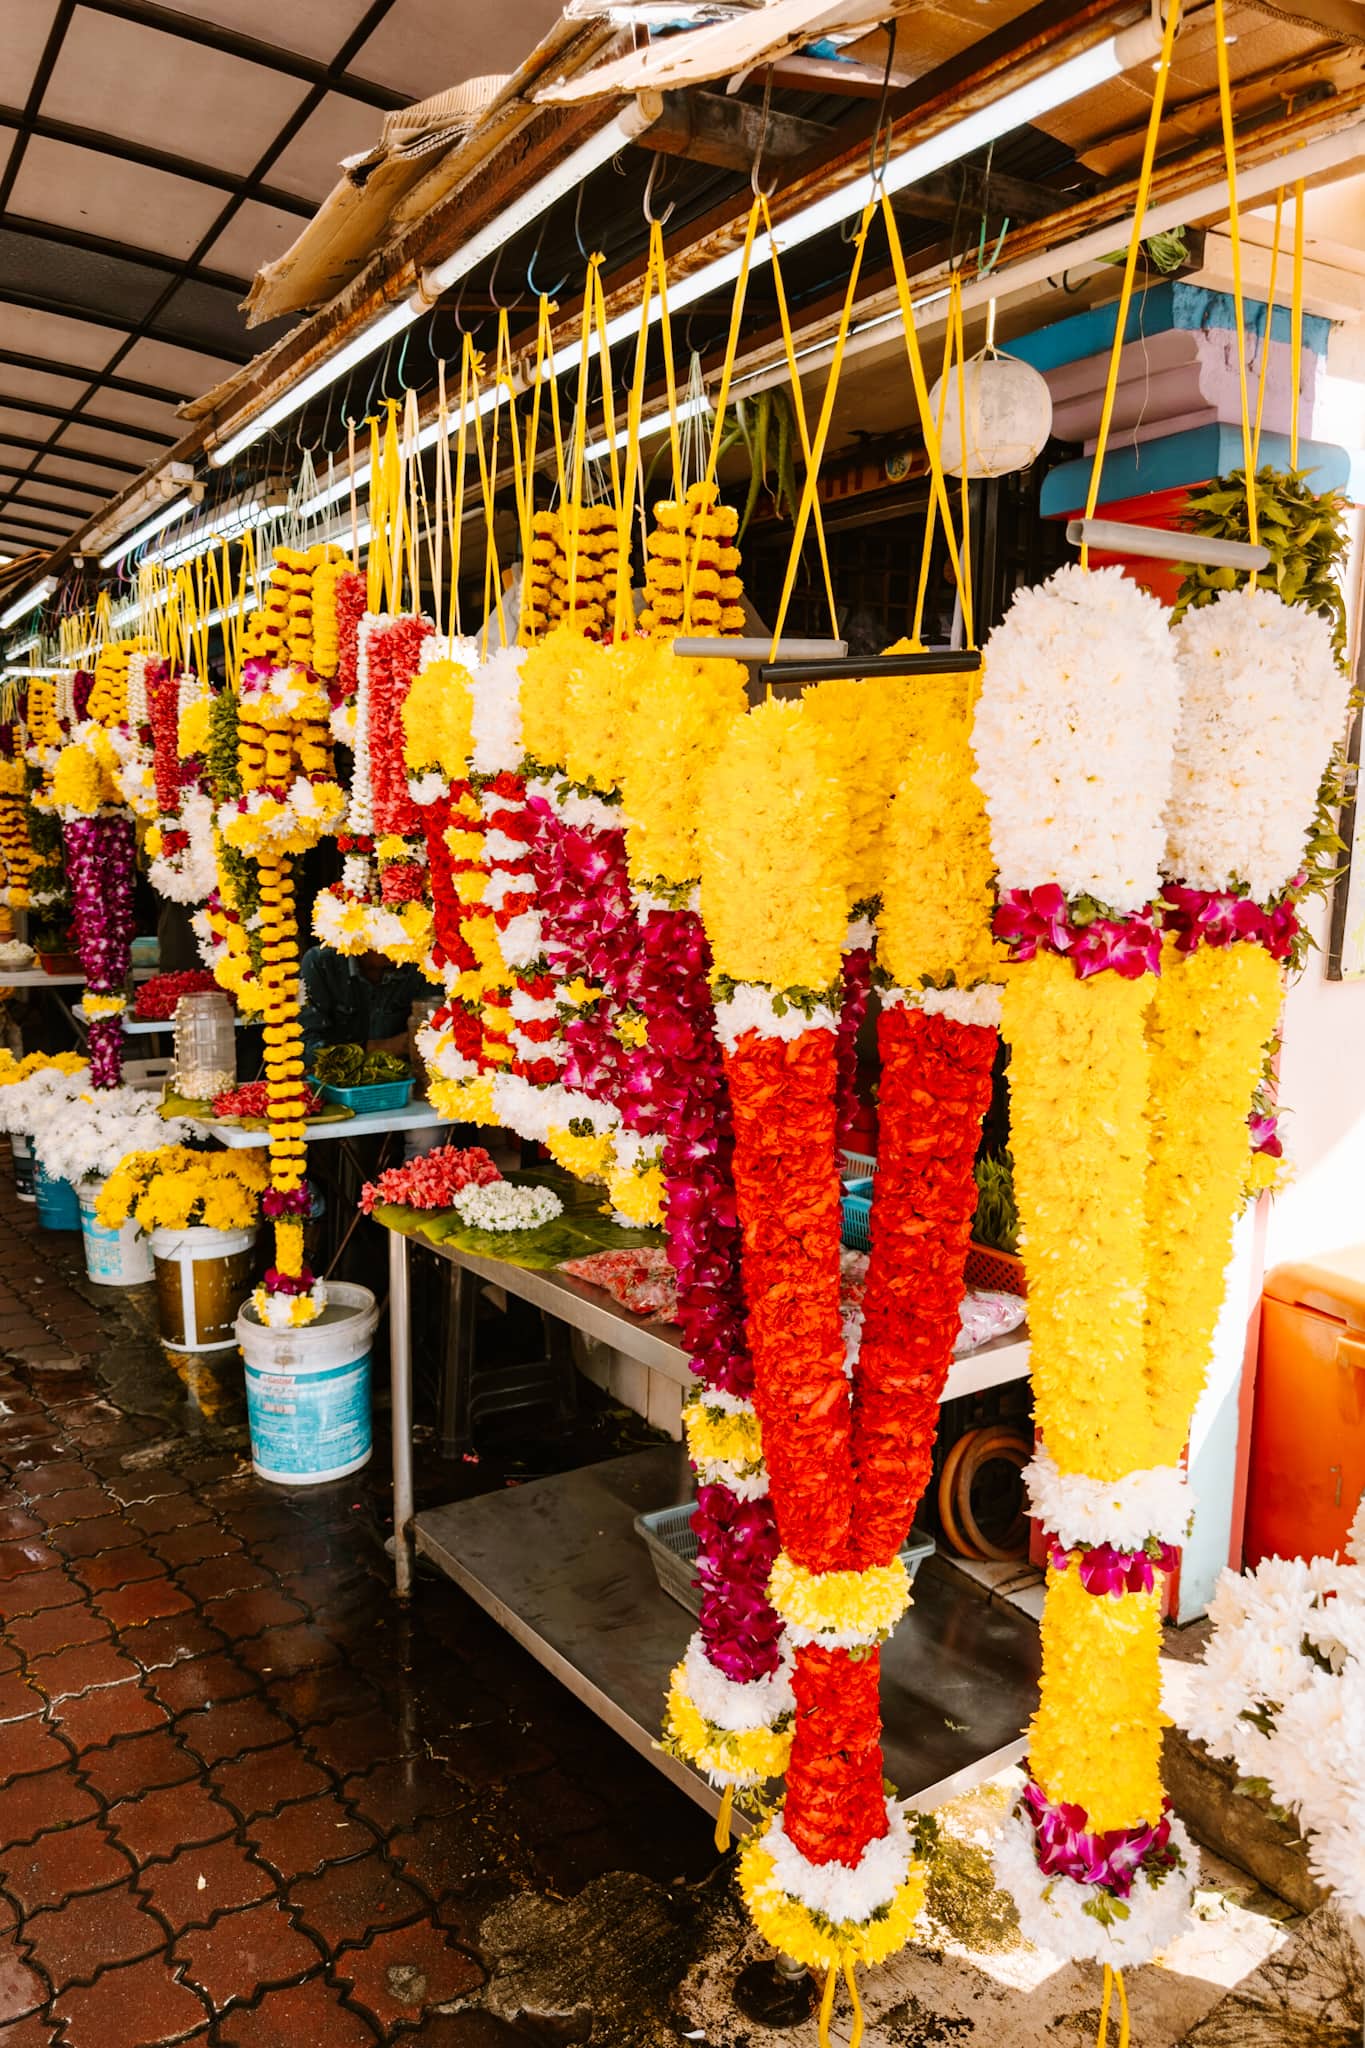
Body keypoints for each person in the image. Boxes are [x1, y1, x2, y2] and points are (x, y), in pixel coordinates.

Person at [299, 946, 424, 1068]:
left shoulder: (419, 963)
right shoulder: (322, 962)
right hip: (333, 1085)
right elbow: (305, 1049)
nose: (400, 940)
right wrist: (389, 1047)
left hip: (405, 1083)